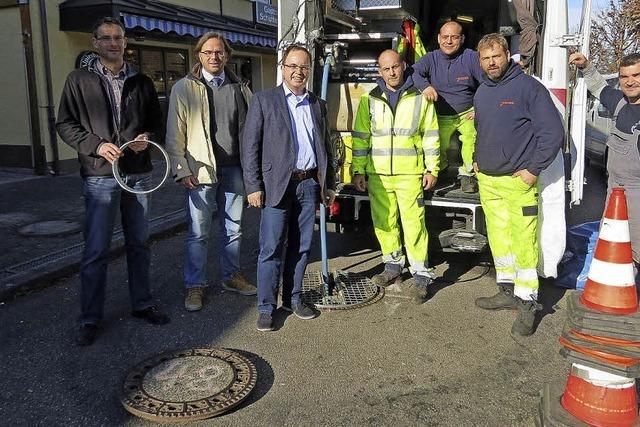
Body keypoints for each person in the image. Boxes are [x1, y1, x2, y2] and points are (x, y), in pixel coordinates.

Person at [56, 17, 169, 346]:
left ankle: (142, 303)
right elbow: (64, 124)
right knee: (96, 250)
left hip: (136, 174)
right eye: (105, 38)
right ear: (95, 42)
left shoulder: (142, 81)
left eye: (117, 37)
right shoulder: (79, 79)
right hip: (100, 176)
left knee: (140, 243)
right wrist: (95, 145)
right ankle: (90, 318)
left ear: (125, 42)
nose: (113, 43)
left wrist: (146, 137)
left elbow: (155, 123)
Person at [472, 34, 564, 336]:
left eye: (495, 56)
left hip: (517, 182)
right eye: (485, 58)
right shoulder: (483, 91)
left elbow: (552, 133)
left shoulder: (528, 88)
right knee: (499, 240)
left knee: (524, 244)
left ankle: (528, 304)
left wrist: (533, 170)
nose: (491, 63)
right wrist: (476, 159)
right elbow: (481, 129)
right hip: (489, 181)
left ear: (507, 54)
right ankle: (507, 290)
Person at [242, 45, 336, 332]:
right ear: (282, 68)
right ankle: (266, 307)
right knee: (270, 249)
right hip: (274, 186)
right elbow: (250, 147)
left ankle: (292, 299)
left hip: (309, 184)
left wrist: (327, 183)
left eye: (304, 67)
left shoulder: (318, 105)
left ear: (310, 70)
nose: (298, 72)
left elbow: (326, 147)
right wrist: (253, 186)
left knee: (301, 247)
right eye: (292, 66)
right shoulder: (263, 101)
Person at [165, 32, 255, 312]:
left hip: (234, 169)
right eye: (208, 52)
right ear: (199, 56)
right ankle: (195, 285)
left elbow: (252, 130)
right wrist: (181, 169)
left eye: (219, 52)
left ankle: (231, 276)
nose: (214, 57)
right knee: (198, 232)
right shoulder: (185, 88)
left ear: (227, 55)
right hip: (201, 172)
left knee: (234, 228)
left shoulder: (240, 86)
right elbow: (174, 132)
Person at [351, 49, 441, 303]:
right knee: (384, 222)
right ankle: (392, 266)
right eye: (385, 69)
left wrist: (432, 168)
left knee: (414, 224)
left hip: (409, 172)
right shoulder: (370, 99)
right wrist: (358, 169)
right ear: (379, 72)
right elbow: (361, 138)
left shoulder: (420, 97)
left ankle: (421, 275)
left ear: (403, 66)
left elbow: (430, 135)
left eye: (395, 67)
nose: (391, 73)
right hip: (378, 174)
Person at [570, 52, 640, 272]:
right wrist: (586, 66)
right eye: (624, 76)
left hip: (638, 193)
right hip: (615, 191)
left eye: (637, 75)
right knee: (612, 239)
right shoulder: (619, 102)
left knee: (637, 247)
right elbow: (598, 86)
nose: (630, 81)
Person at [412, 21, 485, 193]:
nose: (449, 41)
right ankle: (441, 171)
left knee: (471, 141)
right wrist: (425, 86)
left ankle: (468, 176)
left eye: (454, 37)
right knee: (438, 144)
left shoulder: (471, 57)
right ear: (438, 38)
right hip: (441, 115)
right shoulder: (431, 58)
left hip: (467, 113)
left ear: (462, 39)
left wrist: (479, 109)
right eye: (445, 37)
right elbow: (413, 72)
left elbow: (486, 84)